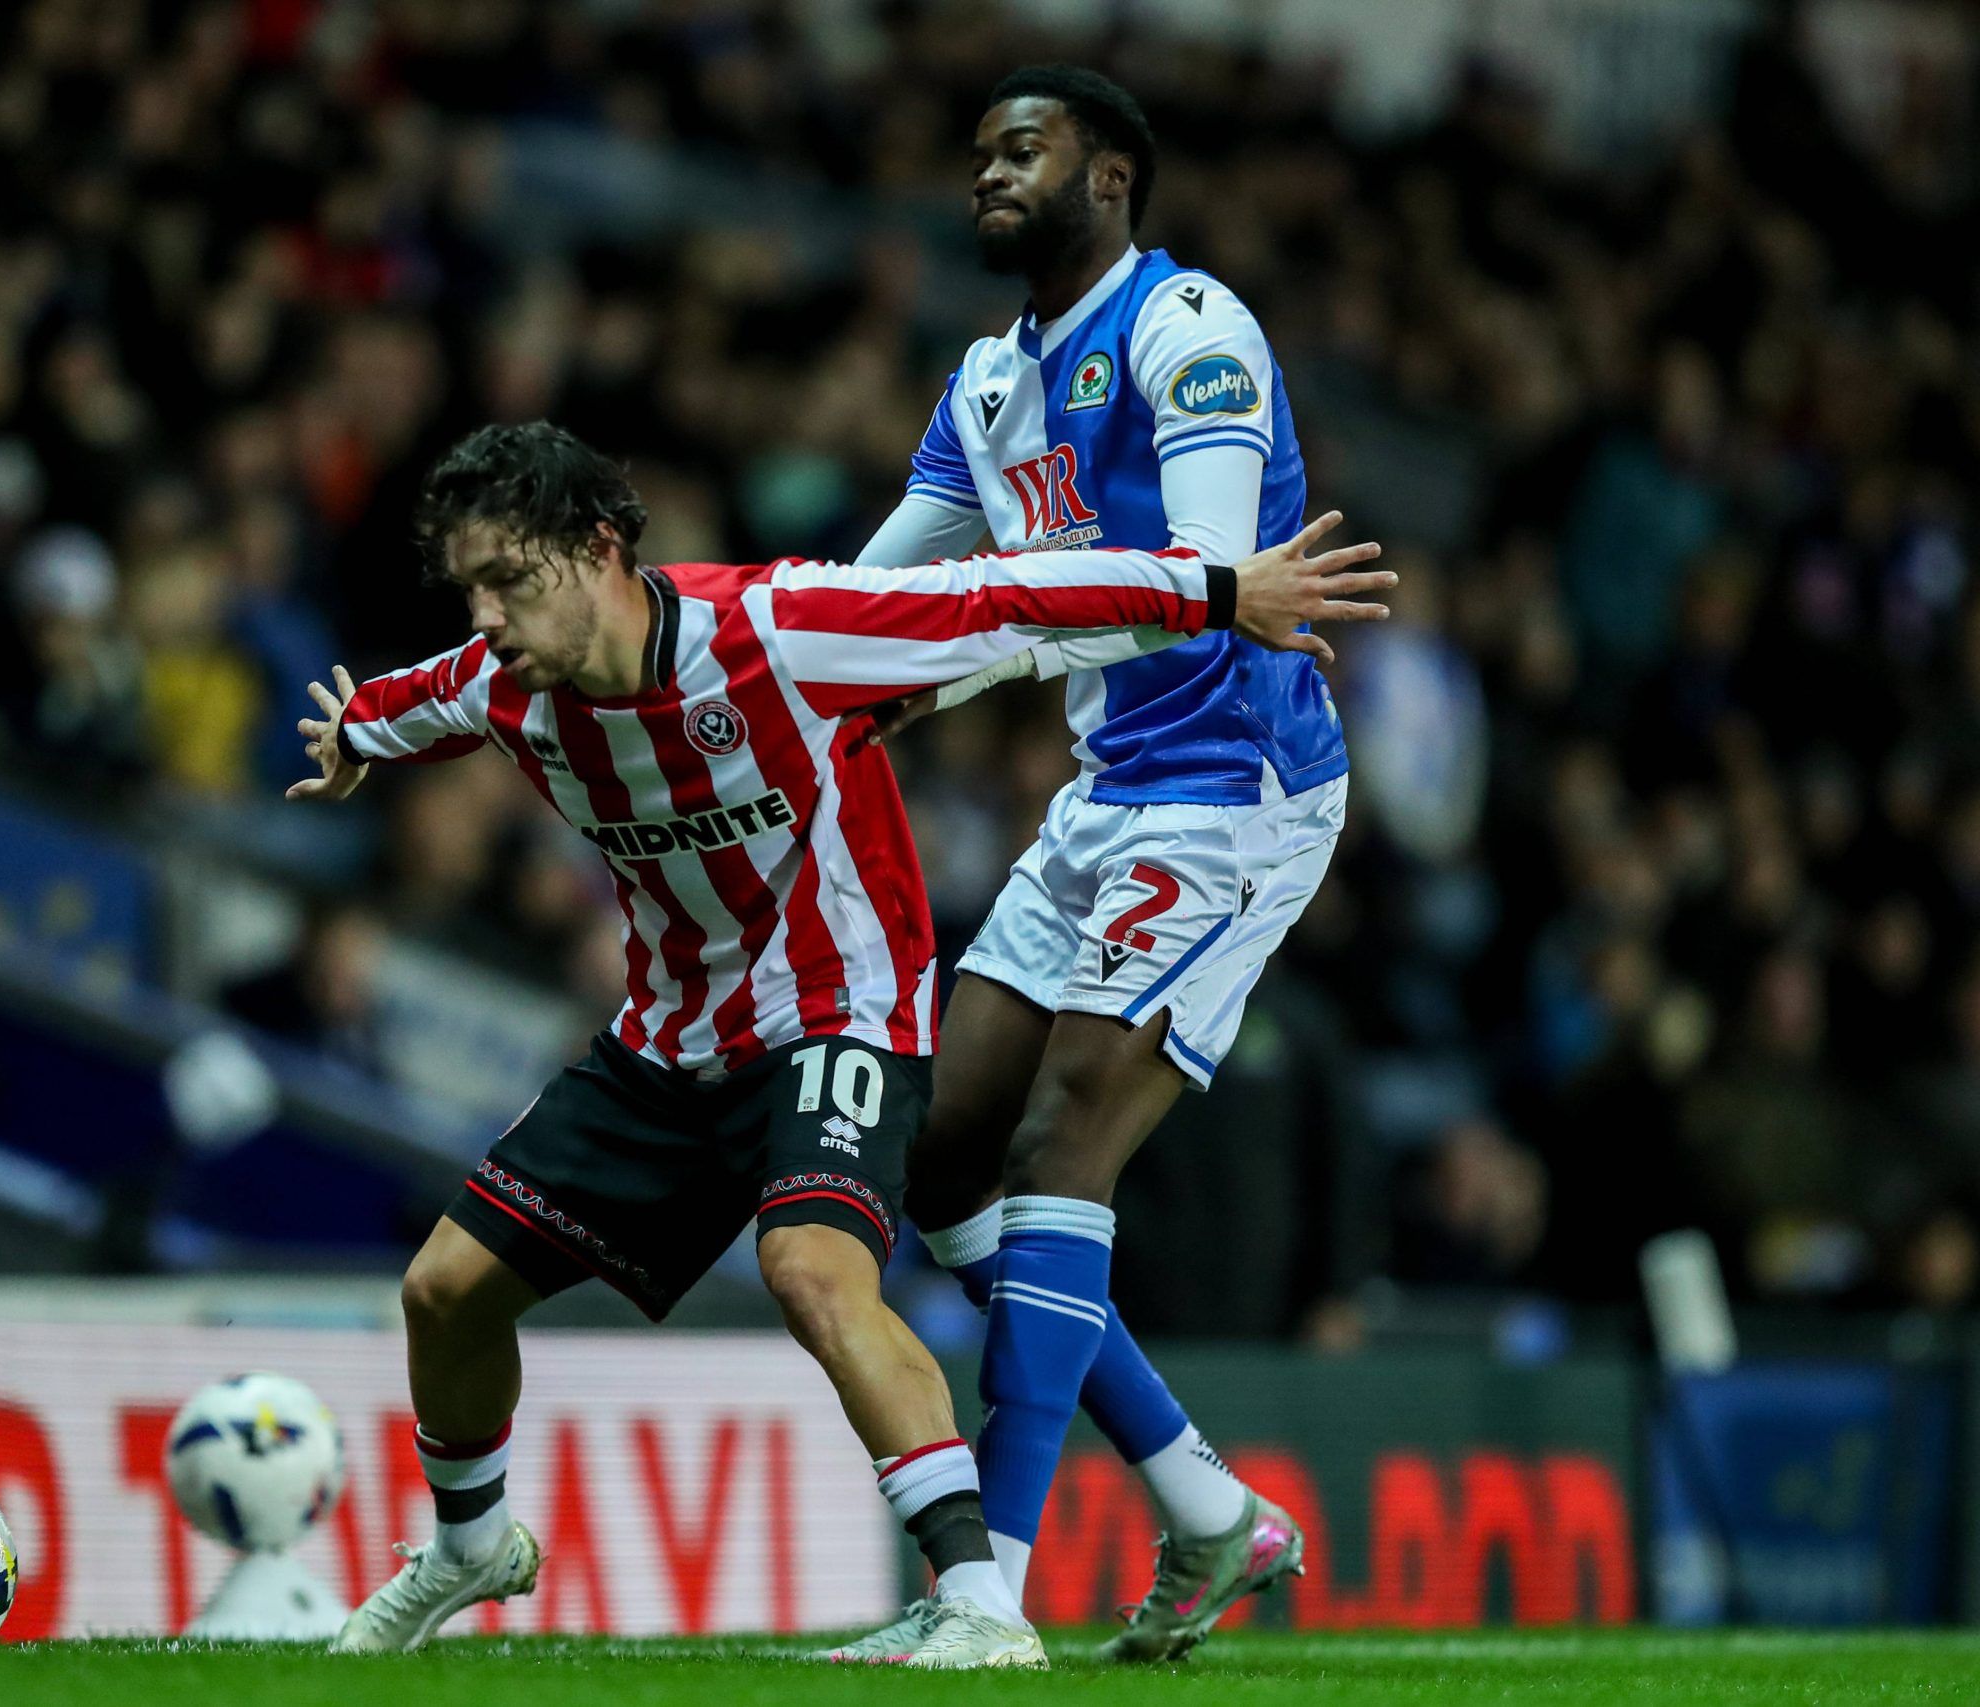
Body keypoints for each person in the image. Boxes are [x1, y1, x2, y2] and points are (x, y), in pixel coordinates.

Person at [286, 422, 1387, 1666]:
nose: (485, 617)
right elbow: (404, 706)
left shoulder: (778, 629)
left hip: (839, 1011)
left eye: (507, 580)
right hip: (668, 1040)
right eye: (469, 589)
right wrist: (350, 739)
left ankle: (977, 1603)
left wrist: (1222, 591)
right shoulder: (499, 684)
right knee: (441, 1292)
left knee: (812, 1271)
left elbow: (1003, 597)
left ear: (597, 548)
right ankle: (470, 1547)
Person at [840, 66, 1353, 1662]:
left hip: (1235, 789)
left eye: (1025, 147)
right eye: (978, 153)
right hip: (1108, 788)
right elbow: (877, 599)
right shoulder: (989, 381)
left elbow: (1201, 582)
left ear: (1112, 175)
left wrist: (978, 652)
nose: (990, 172)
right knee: (942, 1161)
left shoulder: (1188, 328)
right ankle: (1210, 1509)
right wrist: (764, 666)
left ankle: (982, 1589)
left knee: (1065, 1144)